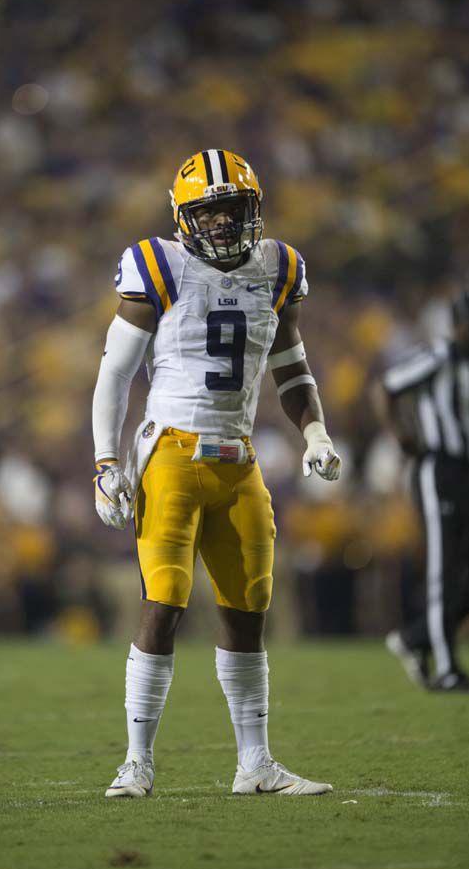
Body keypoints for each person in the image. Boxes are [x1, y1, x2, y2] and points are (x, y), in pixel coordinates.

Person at [91, 149, 341, 798]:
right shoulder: (158, 265)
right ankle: (136, 762)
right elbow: (114, 374)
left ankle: (254, 764)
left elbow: (293, 369)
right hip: (171, 453)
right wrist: (106, 462)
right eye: (212, 212)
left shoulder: (280, 268)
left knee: (248, 607)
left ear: (253, 209)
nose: (225, 225)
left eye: (234, 210)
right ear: (184, 218)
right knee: (163, 601)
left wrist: (314, 430)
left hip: (239, 457)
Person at [379, 292, 469, 694]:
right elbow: (389, 386)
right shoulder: (439, 358)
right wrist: (404, 436)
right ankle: (446, 668)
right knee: (445, 568)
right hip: (440, 469)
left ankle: (416, 638)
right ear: (458, 327)